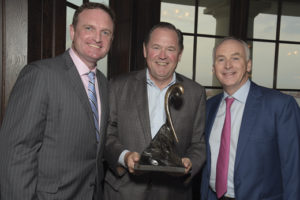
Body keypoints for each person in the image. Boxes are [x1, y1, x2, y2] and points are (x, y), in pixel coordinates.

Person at [0, 2, 115, 200]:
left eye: (105, 32)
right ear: (72, 31)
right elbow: (17, 153)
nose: (98, 38)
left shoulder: (103, 83)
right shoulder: (40, 75)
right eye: (89, 28)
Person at [103, 22, 206, 200]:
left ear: (179, 54)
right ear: (145, 50)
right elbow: (107, 133)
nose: (163, 56)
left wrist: (189, 163)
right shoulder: (117, 85)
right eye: (156, 47)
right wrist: (124, 157)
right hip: (124, 192)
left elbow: (198, 144)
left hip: (174, 193)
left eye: (171, 49)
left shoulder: (195, 92)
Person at [200, 37, 300, 200]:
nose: (227, 65)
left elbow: (294, 170)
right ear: (213, 68)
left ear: (248, 64)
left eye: (235, 58)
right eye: (221, 59)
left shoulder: (280, 106)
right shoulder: (208, 107)